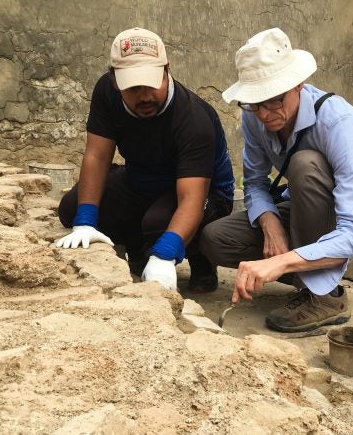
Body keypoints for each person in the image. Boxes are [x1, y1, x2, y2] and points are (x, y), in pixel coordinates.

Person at [200, 28, 353, 332]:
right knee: (215, 239)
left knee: (304, 164)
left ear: (298, 84)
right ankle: (308, 271)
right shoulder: (253, 117)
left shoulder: (337, 122)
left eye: (274, 101)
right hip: (307, 205)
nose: (265, 114)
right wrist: (271, 226)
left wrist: (279, 262)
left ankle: (326, 296)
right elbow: (254, 182)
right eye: (255, 103)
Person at [55, 27, 234, 293]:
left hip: (206, 194)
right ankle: (137, 245)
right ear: (115, 81)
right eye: (134, 87)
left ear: (166, 69)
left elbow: (192, 199)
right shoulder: (106, 92)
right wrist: (86, 220)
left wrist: (166, 252)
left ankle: (199, 257)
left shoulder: (193, 119)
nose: (145, 96)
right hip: (142, 179)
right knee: (72, 207)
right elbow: (97, 154)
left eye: (152, 83)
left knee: (158, 225)